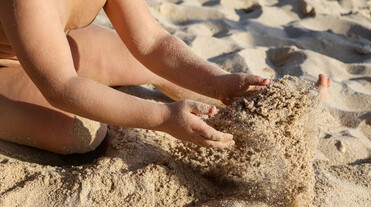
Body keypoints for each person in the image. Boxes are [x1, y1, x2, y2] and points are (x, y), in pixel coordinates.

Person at [0, 0, 332, 155]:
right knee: (77, 133)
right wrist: (161, 117)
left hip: (45, 40)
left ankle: (271, 108)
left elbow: (153, 44)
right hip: (6, 64)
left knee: (147, 63)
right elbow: (62, 86)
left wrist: (217, 80)